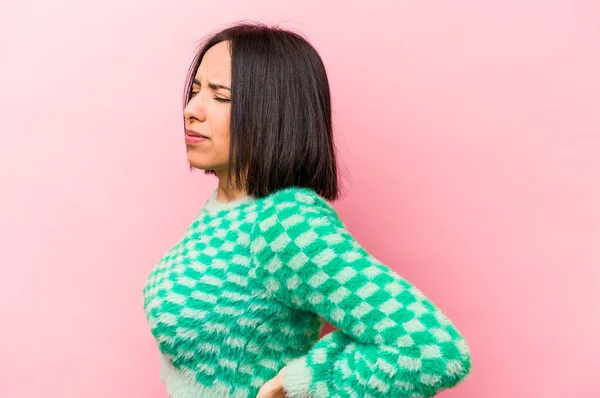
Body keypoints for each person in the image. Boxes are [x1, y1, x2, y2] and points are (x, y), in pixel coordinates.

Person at [142, 21, 471, 398]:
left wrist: (303, 383)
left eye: (220, 96)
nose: (191, 110)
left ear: (272, 112)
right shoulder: (221, 209)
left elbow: (432, 348)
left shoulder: (285, 221)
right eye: (196, 90)